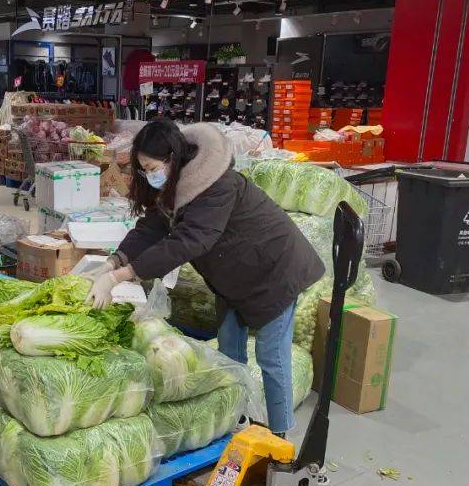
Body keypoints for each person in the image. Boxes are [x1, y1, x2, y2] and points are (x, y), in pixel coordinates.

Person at [87, 119, 325, 437]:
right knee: (229, 352)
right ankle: (235, 418)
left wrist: (122, 276)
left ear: (173, 159)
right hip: (234, 277)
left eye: (152, 167)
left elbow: (188, 241)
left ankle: (280, 441)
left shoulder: (216, 186)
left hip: (274, 269)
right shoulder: (174, 186)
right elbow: (150, 229)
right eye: (143, 169)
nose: (149, 175)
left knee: (272, 356)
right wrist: (113, 262)